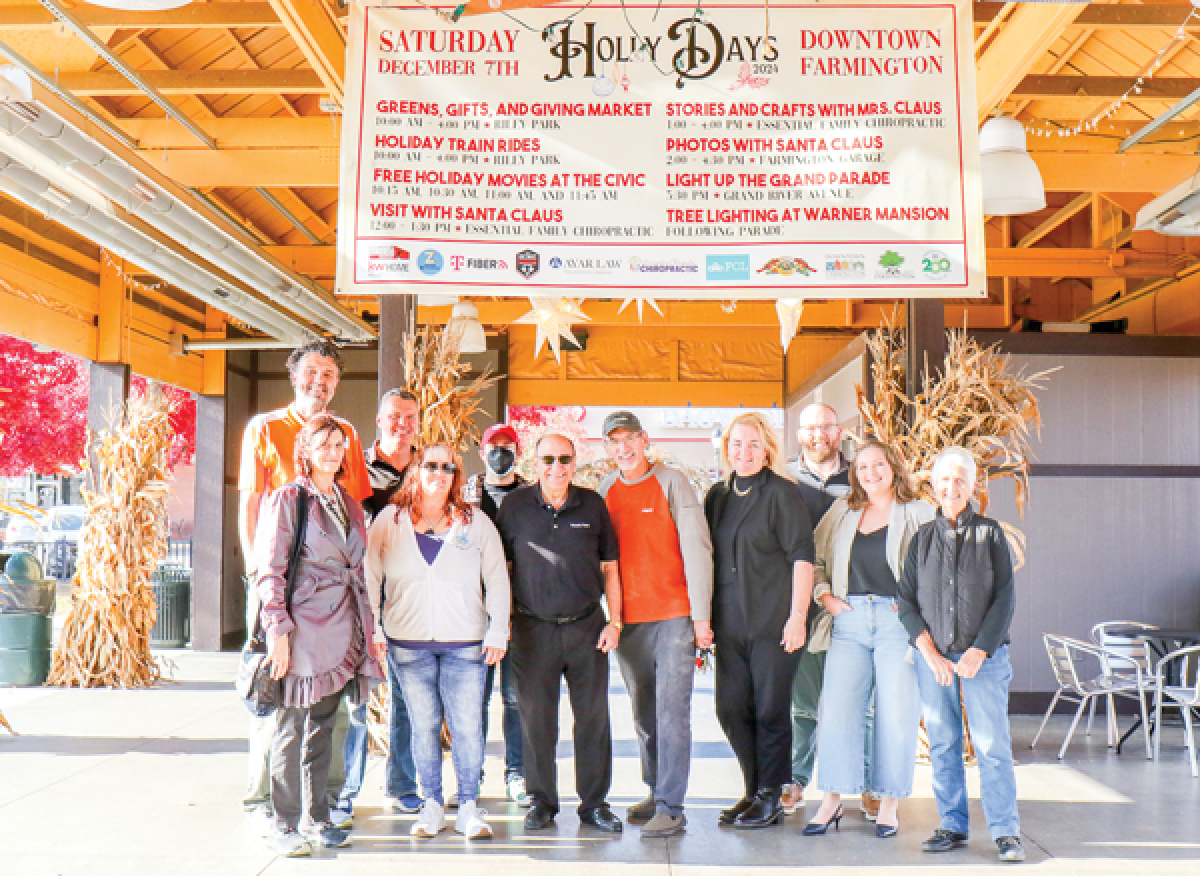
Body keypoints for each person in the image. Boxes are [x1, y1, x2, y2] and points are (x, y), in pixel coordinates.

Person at [238, 340, 372, 829]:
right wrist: (260, 581)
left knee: (329, 702)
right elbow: (252, 503)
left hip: (334, 600)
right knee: (275, 692)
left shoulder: (347, 434)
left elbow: (350, 507)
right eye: (313, 371)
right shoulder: (265, 428)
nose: (321, 381)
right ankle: (263, 801)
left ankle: (326, 801)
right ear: (295, 376)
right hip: (279, 583)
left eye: (330, 374)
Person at [366, 442, 511, 839]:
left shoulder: (475, 521)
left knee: (466, 726)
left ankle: (468, 806)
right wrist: (375, 628)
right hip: (407, 644)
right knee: (423, 724)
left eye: (448, 467)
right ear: (417, 469)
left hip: (467, 644)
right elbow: (369, 576)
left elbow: (497, 577)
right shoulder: (390, 520)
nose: (439, 473)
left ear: (456, 476)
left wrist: (498, 629)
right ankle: (431, 804)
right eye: (431, 465)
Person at [256, 414, 382, 857]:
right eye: (323, 443)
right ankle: (284, 822)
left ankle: (317, 816)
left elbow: (359, 567)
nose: (332, 451)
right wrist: (278, 632)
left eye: (338, 443)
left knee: (324, 726)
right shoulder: (289, 498)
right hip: (302, 627)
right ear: (305, 450)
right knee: (291, 724)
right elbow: (270, 570)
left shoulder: (348, 502)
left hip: (344, 625)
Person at [896, 447, 1024, 863]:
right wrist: (930, 653)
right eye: (945, 479)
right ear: (933, 485)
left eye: (960, 480)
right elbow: (906, 602)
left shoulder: (991, 535)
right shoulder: (920, 540)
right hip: (934, 662)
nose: (952, 487)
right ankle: (952, 824)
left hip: (984, 662)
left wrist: (979, 650)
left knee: (991, 746)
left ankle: (1006, 833)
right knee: (943, 745)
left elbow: (1005, 598)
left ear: (972, 486)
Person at [495, 433, 624, 833]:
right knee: (536, 722)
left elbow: (610, 569)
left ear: (575, 461)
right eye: (548, 459)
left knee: (593, 721)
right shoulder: (515, 506)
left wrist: (615, 621)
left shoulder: (593, 504)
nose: (556, 467)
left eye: (564, 459)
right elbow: (503, 572)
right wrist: (505, 623)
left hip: (587, 628)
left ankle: (595, 804)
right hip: (532, 630)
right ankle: (542, 802)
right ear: (535, 462)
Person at [804, 441, 933, 839]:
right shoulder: (843, 510)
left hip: (898, 622)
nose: (870, 473)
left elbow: (934, 567)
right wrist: (825, 596)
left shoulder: (918, 512)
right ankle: (832, 800)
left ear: (893, 466)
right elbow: (815, 558)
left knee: (896, 711)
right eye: (862, 467)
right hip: (851, 620)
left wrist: (915, 608)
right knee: (838, 711)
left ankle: (889, 802)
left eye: (878, 465)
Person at [597, 412, 713, 838]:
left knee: (671, 712)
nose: (623, 448)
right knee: (644, 712)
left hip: (674, 617)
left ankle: (672, 805)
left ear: (644, 440)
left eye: (630, 439)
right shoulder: (606, 489)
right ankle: (654, 789)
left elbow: (698, 549)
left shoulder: (672, 482)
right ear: (606, 447)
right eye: (614, 442)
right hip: (629, 624)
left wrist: (701, 617)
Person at [704, 412, 814, 829]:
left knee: (770, 710)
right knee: (731, 709)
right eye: (736, 444)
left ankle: (771, 794)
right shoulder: (717, 496)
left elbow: (802, 558)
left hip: (774, 624)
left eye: (752, 444)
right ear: (726, 447)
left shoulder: (783, 494)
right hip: (729, 626)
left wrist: (798, 617)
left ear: (767, 448)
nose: (743, 452)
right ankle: (752, 791)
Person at [341, 389, 423, 818]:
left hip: (412, 599)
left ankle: (403, 784)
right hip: (362, 597)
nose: (402, 424)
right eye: (395, 416)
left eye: (410, 417)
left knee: (408, 697)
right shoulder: (356, 467)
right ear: (378, 419)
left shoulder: (428, 468)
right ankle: (345, 791)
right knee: (357, 695)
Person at [783, 403, 854, 816]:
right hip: (803, 602)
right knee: (804, 701)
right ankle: (795, 777)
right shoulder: (785, 479)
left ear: (839, 430)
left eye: (826, 427)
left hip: (850, 600)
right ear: (799, 434)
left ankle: (864, 782)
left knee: (861, 702)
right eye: (811, 428)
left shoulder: (860, 476)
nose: (818, 435)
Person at [465, 423, 531, 806]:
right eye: (494, 446)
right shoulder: (465, 495)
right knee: (475, 698)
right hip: (475, 611)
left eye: (507, 446)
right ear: (482, 452)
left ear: (517, 451)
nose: (500, 453)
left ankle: (517, 774)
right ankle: (471, 775)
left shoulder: (530, 496)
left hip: (520, 612)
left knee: (515, 699)